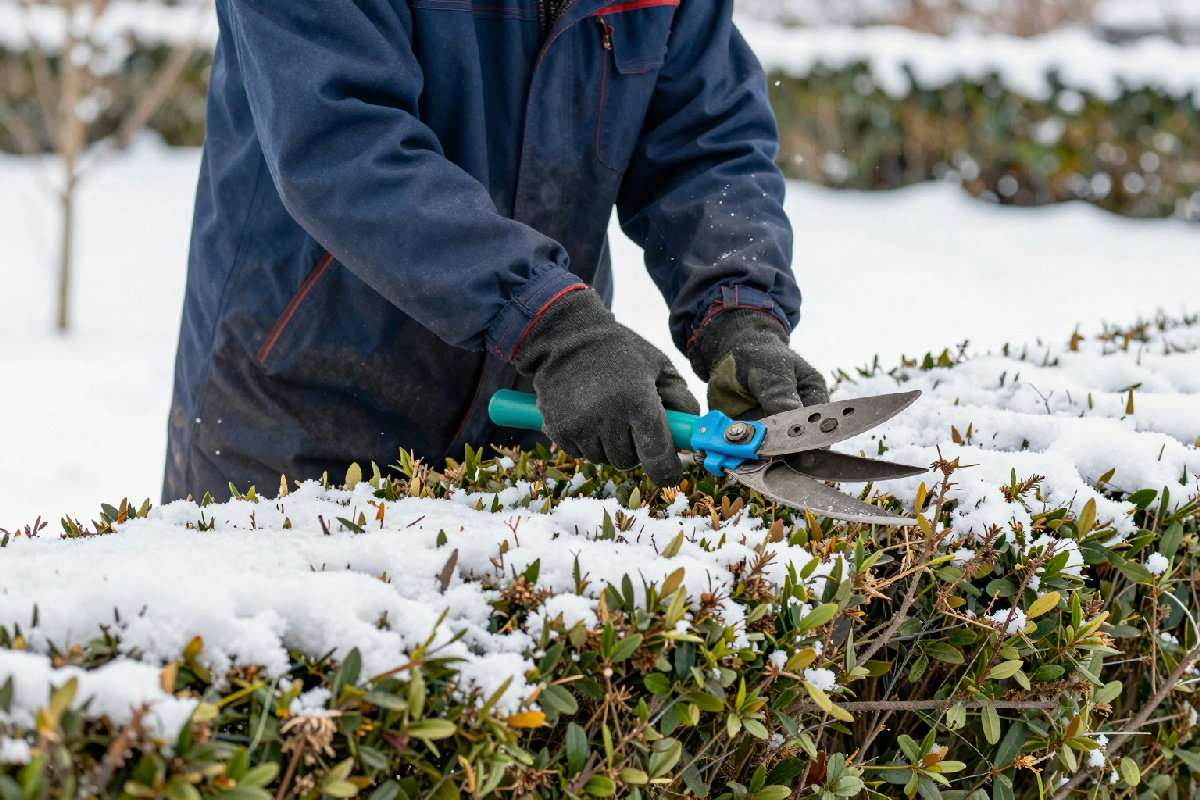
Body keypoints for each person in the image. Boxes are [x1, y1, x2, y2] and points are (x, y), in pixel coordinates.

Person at [162, 0, 828, 502]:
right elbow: (341, 139)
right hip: (300, 410)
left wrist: (739, 308)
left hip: (536, 402)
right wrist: (551, 323)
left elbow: (703, 137)